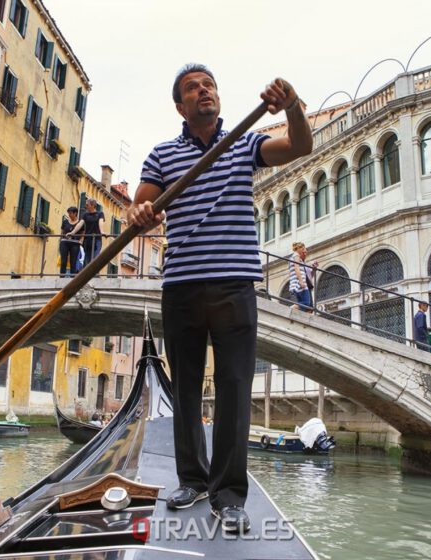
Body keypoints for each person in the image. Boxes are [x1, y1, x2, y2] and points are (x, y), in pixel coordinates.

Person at [126, 63, 312, 533]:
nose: (204, 91)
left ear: (218, 97)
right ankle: (192, 478)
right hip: (182, 285)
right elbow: (138, 209)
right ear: (180, 106)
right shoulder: (163, 155)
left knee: (233, 388)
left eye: (209, 85)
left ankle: (229, 494)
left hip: (234, 285)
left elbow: (300, 146)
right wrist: (143, 213)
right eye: (193, 88)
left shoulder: (245, 143)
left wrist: (291, 106)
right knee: (186, 388)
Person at [59, 206, 84, 277]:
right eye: (68, 213)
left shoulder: (80, 223)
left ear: (75, 213)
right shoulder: (65, 222)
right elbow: (62, 232)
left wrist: (81, 241)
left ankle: (72, 278)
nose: (69, 215)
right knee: (63, 260)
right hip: (65, 242)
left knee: (73, 261)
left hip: (75, 243)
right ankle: (62, 276)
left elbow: (83, 233)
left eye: (70, 213)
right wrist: (61, 239)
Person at [81, 198, 105, 267]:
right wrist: (72, 232)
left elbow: (100, 222)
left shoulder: (100, 214)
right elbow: (80, 223)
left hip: (97, 239)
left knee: (95, 258)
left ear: (92, 205)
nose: (86, 206)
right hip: (87, 240)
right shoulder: (85, 215)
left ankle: (95, 275)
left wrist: (102, 232)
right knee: (87, 259)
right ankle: (86, 275)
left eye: (87, 205)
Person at [289, 242, 311, 312]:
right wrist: (301, 281)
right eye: (303, 248)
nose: (304, 250)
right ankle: (292, 308)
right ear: (298, 248)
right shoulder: (296, 255)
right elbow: (297, 268)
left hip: (296, 283)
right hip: (299, 283)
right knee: (307, 302)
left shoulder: (295, 257)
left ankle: (294, 310)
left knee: (302, 303)